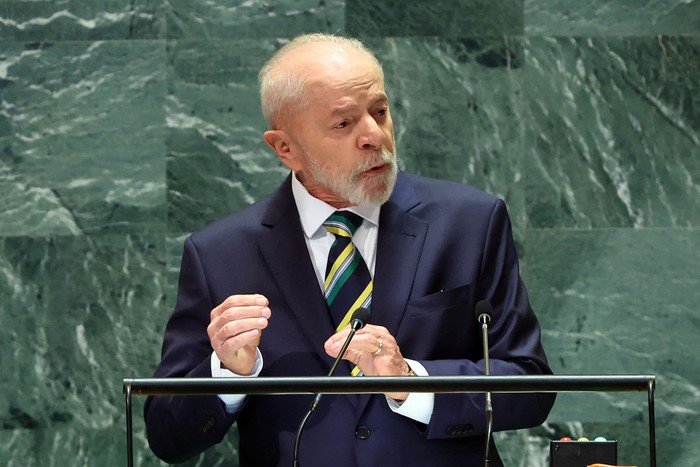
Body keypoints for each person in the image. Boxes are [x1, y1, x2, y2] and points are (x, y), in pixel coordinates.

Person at [144, 33, 555, 467]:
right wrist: (227, 375)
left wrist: (412, 380)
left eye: (380, 111)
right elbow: (167, 437)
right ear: (285, 148)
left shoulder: (471, 221)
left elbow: (530, 388)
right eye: (344, 124)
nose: (374, 135)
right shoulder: (219, 254)